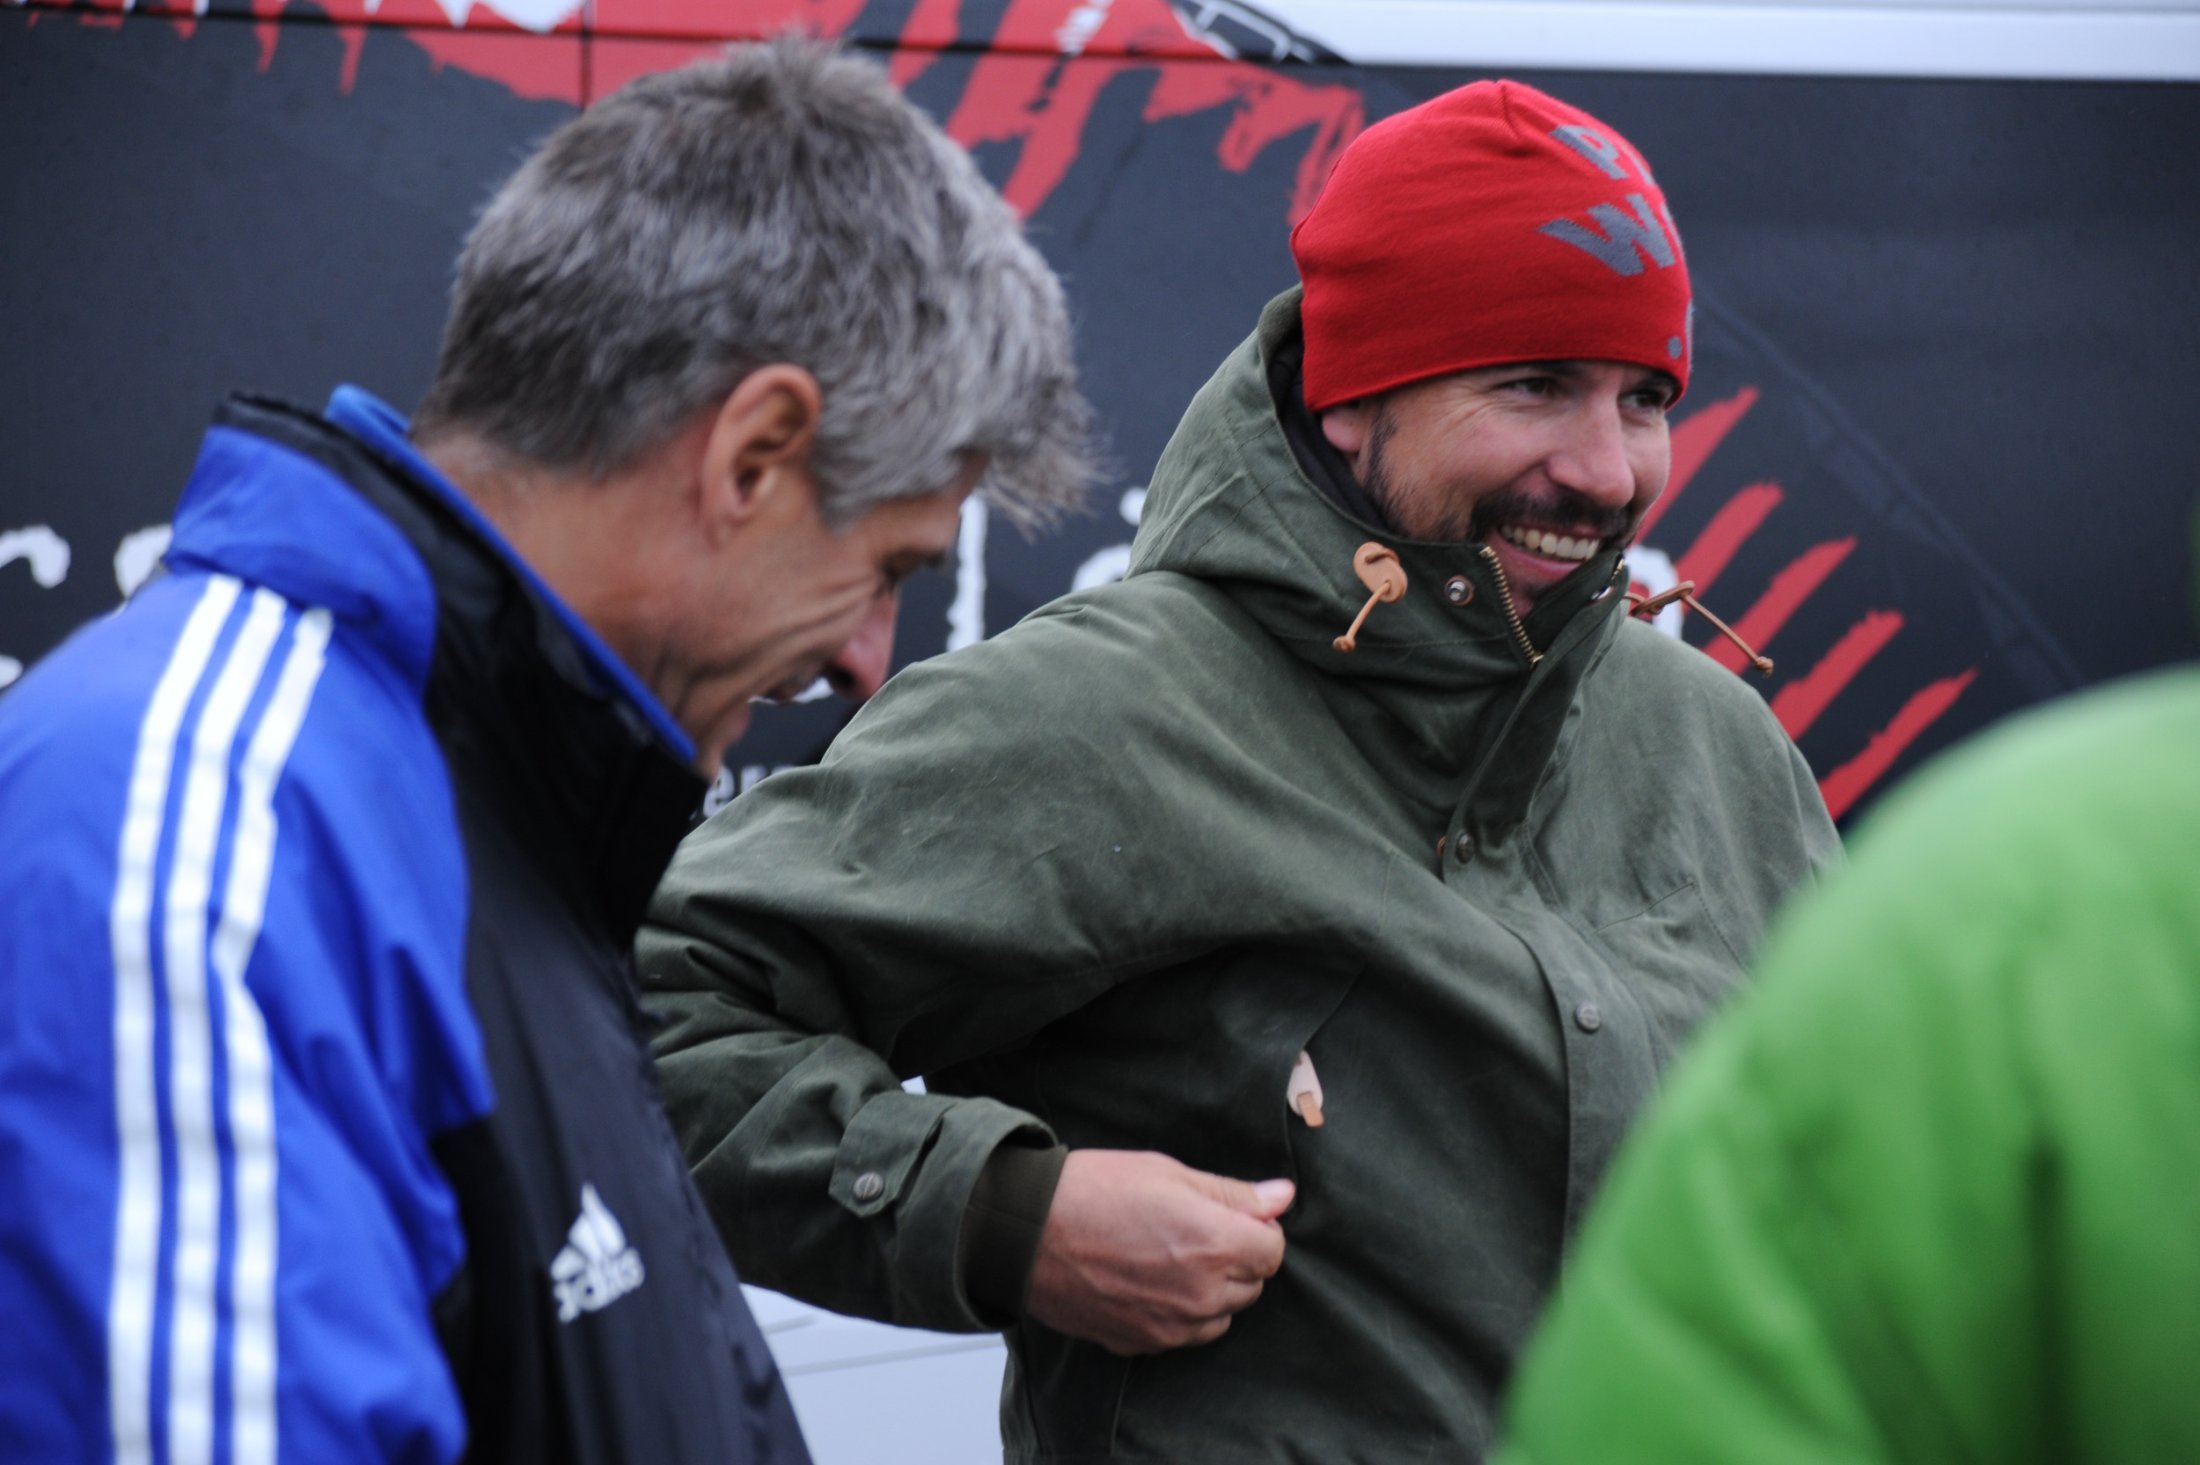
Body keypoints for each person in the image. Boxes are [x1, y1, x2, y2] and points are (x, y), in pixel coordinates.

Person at [641, 79, 1837, 1462]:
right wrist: (1004, 1215)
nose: (1607, 470)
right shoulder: (1109, 708)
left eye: (1644, 399)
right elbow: (651, 1010)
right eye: (1534, 384)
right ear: (1354, 395)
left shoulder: (1717, 747)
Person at [0, 38, 1090, 1464]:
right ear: (752, 454)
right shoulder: (198, 853)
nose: (868, 662)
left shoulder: (493, 802)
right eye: (885, 567)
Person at [1491, 532, 2200, 1465]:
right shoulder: (2022, 888)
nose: (1606, 472)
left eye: (1641, 424)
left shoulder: (1734, 738)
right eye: (1534, 388)